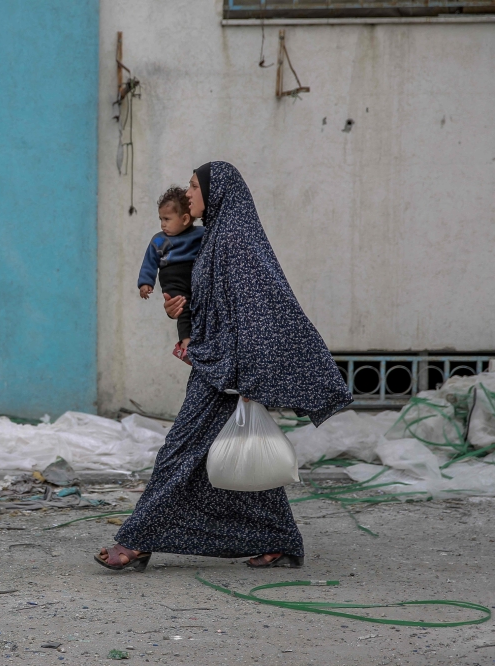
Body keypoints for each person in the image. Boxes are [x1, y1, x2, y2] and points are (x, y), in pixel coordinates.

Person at [95, 161, 352, 571]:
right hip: (217, 363)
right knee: (240, 456)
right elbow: (216, 302)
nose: (189, 193)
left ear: (216, 193)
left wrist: (249, 375)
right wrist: (177, 308)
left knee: (178, 453)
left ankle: (137, 540)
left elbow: (257, 310)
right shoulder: (215, 236)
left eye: (195, 187)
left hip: (229, 372)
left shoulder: (234, 239)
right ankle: (280, 541)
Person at [137, 186, 203, 363]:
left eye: (166, 219)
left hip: (193, 277)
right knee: (182, 309)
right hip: (173, 281)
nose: (162, 224)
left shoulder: (201, 234)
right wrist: (145, 282)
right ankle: (186, 345)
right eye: (160, 219)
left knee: (198, 307)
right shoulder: (159, 240)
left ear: (185, 219)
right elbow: (149, 262)